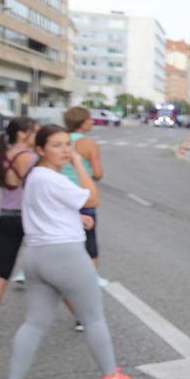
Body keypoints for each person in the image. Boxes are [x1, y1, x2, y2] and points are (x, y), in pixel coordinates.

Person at [0, 125, 131, 379]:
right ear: (40, 150)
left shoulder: (35, 176)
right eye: (56, 145)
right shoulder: (53, 178)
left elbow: (42, 210)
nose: (65, 150)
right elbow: (92, 198)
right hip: (66, 255)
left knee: (34, 323)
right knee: (93, 317)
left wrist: (74, 218)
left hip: (36, 256)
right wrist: (80, 166)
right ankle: (110, 377)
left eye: (67, 144)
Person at [0, 117, 38, 341]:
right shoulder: (31, 158)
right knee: (54, 269)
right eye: (35, 132)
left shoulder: (2, 153)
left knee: (0, 271)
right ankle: (82, 318)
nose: (37, 136)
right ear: (23, 134)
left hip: (5, 217)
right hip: (30, 220)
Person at [61, 106, 106, 284]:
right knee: (89, 239)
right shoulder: (89, 144)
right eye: (89, 119)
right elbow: (98, 173)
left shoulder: (60, 140)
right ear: (81, 122)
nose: (92, 122)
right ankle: (90, 278)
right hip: (83, 197)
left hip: (61, 196)